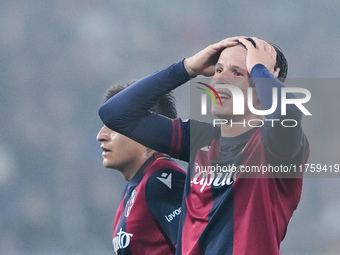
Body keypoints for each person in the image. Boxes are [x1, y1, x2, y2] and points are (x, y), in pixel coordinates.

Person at [98, 36, 310, 255]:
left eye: (237, 72)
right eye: (218, 70)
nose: (221, 79)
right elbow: (116, 114)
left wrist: (259, 68)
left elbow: (289, 113)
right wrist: (187, 67)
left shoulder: (275, 148)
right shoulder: (200, 139)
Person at [97, 83, 186, 255]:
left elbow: (200, 246)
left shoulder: (162, 180)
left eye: (115, 127)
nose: (101, 135)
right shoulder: (137, 185)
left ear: (150, 132)